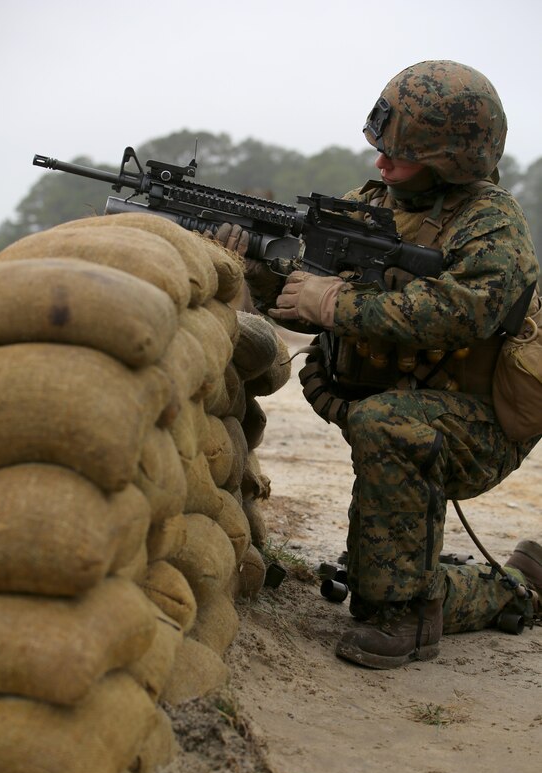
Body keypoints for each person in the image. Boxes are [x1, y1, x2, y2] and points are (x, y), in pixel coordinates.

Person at [218, 60, 542, 669]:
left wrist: (337, 302)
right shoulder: (369, 205)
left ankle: (422, 614)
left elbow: (464, 311)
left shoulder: (491, 221)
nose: (381, 166)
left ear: (452, 160)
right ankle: (431, 585)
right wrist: (260, 268)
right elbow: (304, 295)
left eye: (402, 155)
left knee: (388, 433)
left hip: (480, 424)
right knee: (373, 568)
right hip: (409, 407)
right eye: (382, 149)